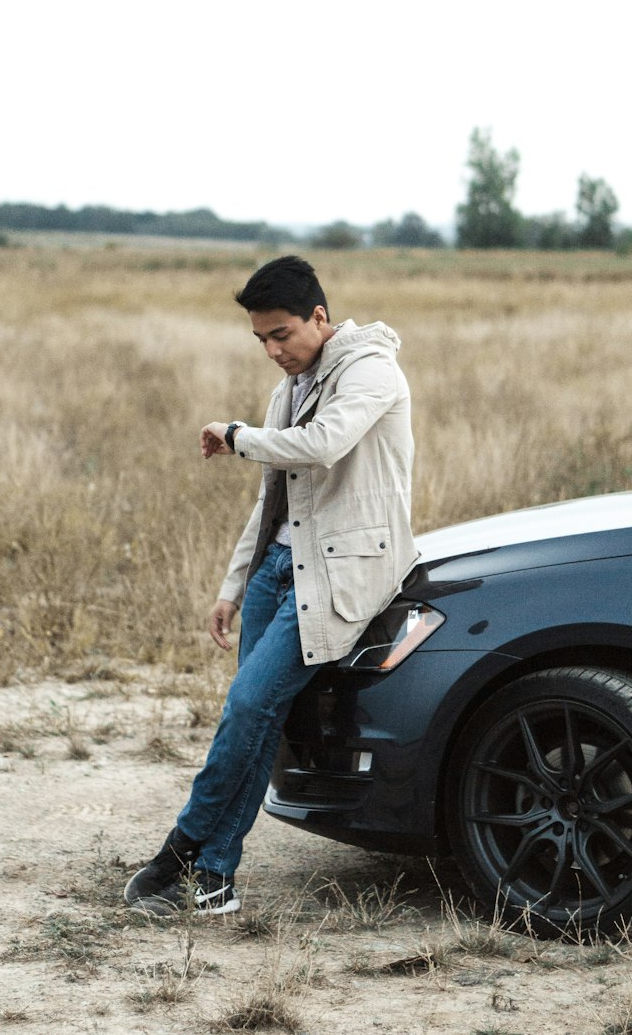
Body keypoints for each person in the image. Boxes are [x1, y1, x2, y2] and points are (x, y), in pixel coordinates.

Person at [124, 255, 417, 914]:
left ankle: (180, 852)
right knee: (258, 720)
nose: (272, 351)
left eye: (281, 334)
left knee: (248, 707)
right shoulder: (287, 386)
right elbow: (272, 500)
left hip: (341, 571)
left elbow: (322, 443)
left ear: (319, 316)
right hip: (277, 572)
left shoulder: (371, 369)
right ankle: (217, 878)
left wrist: (237, 435)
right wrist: (233, 585)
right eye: (260, 339)